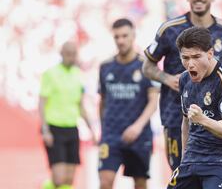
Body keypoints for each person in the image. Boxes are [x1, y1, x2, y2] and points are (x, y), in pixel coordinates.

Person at [142, 0, 222, 171]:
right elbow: (147, 66)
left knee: (212, 173)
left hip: (214, 115)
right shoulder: (169, 29)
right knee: (180, 172)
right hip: (174, 113)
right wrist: (168, 78)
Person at [167, 27, 222, 189]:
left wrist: (203, 119)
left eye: (196, 57)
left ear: (210, 54)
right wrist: (184, 161)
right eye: (185, 58)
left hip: (221, 160)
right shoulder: (184, 80)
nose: (190, 64)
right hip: (191, 159)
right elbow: (186, 124)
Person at [98, 18, 159, 189]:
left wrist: (137, 126)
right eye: (116, 37)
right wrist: (103, 130)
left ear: (133, 36)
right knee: (105, 182)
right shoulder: (105, 67)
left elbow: (154, 101)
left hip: (139, 136)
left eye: (124, 36)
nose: (120, 41)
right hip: (111, 135)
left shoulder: (146, 67)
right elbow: (102, 101)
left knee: (140, 183)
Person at [39, 41, 95, 189]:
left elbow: (80, 105)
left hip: (72, 128)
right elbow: (42, 102)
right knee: (58, 178)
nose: (71, 57)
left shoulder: (79, 75)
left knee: (69, 179)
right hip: (54, 128)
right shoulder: (50, 74)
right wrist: (45, 129)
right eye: (68, 54)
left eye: (73, 54)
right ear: (61, 53)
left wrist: (91, 128)